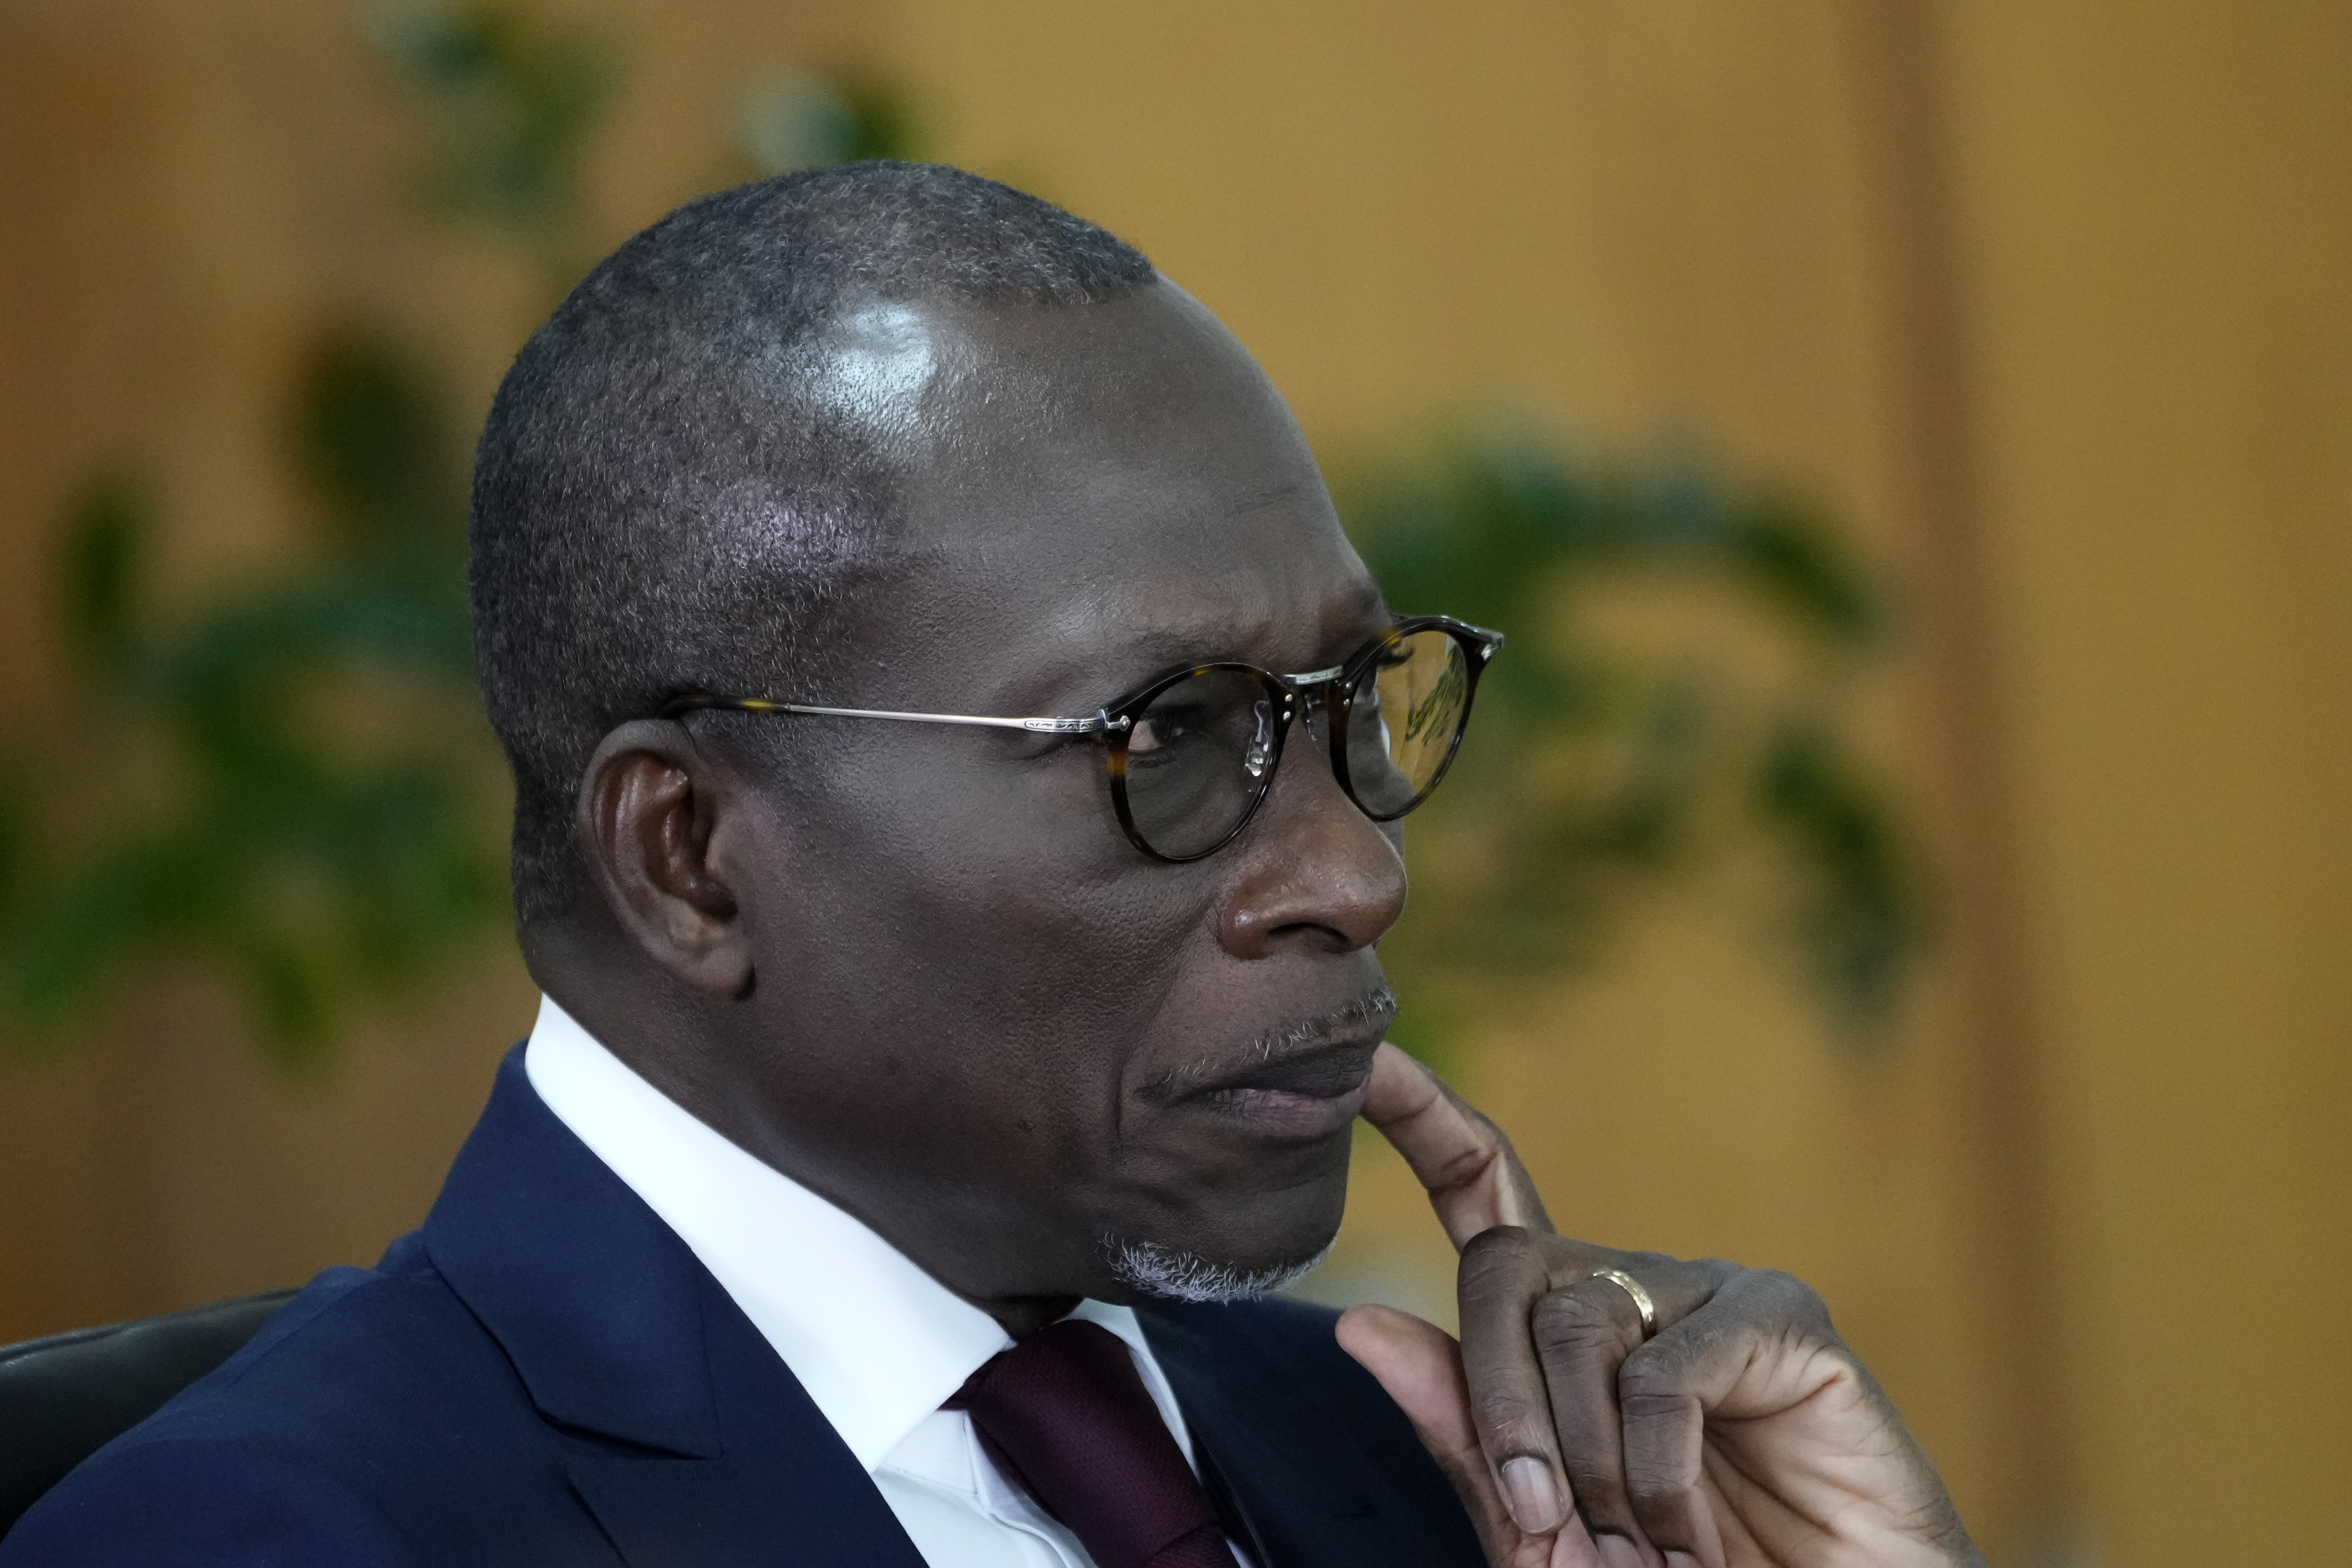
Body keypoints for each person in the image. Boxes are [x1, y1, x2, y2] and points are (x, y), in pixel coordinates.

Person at [0, 163, 1981, 1568]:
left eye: (1352, 706)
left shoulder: (1435, 1477)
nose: (1352, 875)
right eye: (1170, 741)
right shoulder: (286, 1535)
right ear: (690, 857)